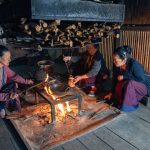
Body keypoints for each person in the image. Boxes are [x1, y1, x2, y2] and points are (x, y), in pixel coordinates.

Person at [104, 46, 150, 112]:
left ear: (124, 59)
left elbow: (141, 79)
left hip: (145, 86)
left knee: (129, 83)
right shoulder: (118, 66)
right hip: (135, 84)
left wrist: (125, 77)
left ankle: (129, 106)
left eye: (116, 60)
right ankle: (121, 100)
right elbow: (115, 80)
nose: (114, 62)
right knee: (120, 82)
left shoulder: (134, 65)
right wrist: (111, 93)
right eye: (113, 59)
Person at [0, 45, 33, 118]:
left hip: (2, 92)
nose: (10, 60)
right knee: (2, 115)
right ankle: (3, 106)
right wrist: (9, 96)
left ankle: (12, 107)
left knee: (14, 84)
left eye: (10, 57)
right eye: (7, 58)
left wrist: (27, 81)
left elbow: (14, 76)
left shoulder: (3, 67)